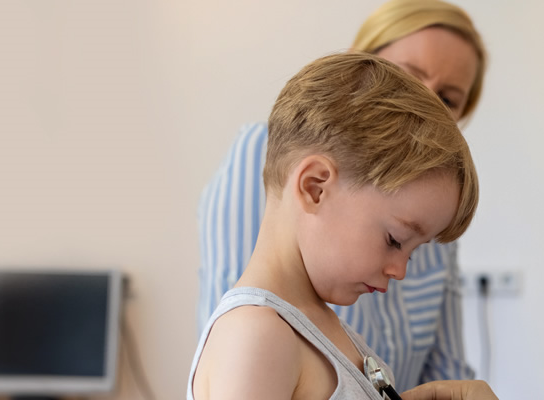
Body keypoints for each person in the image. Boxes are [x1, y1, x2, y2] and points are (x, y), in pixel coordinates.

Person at [198, 0, 487, 387]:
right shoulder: (259, 333)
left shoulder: (337, 331)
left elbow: (446, 369)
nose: (426, 103)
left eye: (448, 98)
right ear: (314, 187)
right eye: (394, 240)